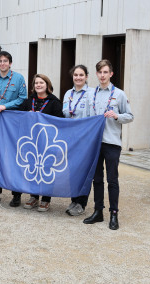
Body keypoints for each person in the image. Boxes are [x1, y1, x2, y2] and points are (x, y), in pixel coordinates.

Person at [83, 59, 134, 230]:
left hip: (111, 142)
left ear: (111, 74)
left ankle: (114, 214)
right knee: (97, 179)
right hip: (95, 143)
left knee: (112, 180)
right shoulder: (90, 93)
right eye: (100, 72)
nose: (102, 75)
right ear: (96, 74)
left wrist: (117, 116)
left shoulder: (119, 94)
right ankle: (98, 211)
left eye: (105, 72)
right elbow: (86, 118)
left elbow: (130, 116)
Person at [0, 50, 27, 205]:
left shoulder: (18, 78)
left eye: (5, 61)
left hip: (13, 124)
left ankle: (17, 195)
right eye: (0, 61)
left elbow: (23, 98)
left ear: (10, 63)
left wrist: (5, 106)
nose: (3, 63)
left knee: (15, 157)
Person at [19, 74, 64, 212]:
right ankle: (34, 196)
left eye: (41, 83)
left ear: (47, 85)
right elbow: (18, 115)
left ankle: (46, 199)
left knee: (46, 169)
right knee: (33, 167)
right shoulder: (29, 101)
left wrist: (43, 117)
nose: (38, 85)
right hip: (32, 140)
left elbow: (60, 121)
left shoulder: (54, 102)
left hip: (49, 142)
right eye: (36, 83)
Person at [62, 64, 93, 216]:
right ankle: (74, 199)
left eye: (81, 75)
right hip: (71, 137)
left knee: (84, 170)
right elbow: (65, 113)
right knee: (72, 170)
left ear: (86, 77)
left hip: (86, 138)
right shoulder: (69, 93)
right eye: (76, 75)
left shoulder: (92, 93)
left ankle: (81, 203)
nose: (78, 78)